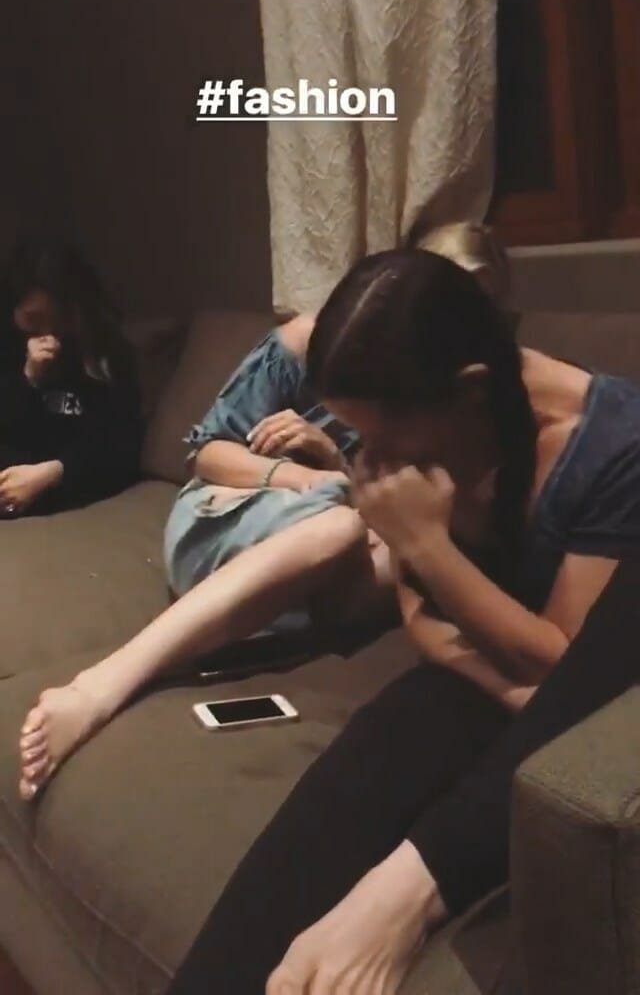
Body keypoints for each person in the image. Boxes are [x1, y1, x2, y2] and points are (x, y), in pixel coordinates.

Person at [165, 249, 640, 995]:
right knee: (372, 757)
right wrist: (486, 663)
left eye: (383, 438)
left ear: (468, 391)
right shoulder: (439, 425)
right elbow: (426, 625)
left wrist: (423, 543)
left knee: (444, 737)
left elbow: (563, 667)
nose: (369, 464)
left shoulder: (613, 446)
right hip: (482, 680)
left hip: (551, 692)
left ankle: (402, 899)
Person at [16, 227, 506, 799]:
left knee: (396, 559)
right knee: (341, 528)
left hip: (342, 543)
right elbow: (206, 454)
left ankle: (246, 622)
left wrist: (334, 459)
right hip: (236, 510)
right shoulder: (307, 344)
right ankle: (102, 685)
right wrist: (308, 477)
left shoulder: (466, 395)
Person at [0, 234, 141, 518]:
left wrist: (51, 473)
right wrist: (29, 378)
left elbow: (119, 445)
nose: (46, 331)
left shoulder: (105, 352)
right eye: (32, 318)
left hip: (64, 484)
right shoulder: (10, 343)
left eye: (53, 317)